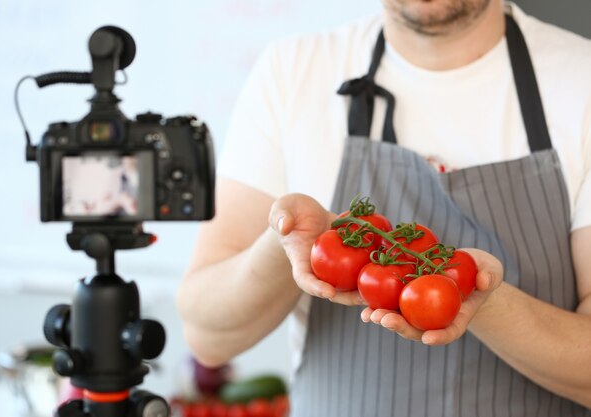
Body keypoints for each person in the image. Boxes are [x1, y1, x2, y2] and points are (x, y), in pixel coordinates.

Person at [176, 0, 591, 415]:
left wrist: (482, 297)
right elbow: (207, 336)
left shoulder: (581, 78)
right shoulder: (292, 70)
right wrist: (287, 242)